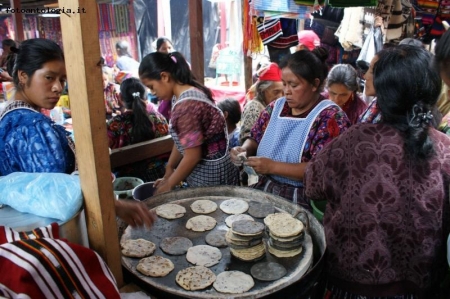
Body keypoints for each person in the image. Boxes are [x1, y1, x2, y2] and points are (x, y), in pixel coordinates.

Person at [305, 45, 450, 297]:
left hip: (349, 285)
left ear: (385, 91)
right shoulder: (445, 149)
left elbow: (312, 185)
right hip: (419, 287)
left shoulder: (353, 141)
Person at [0, 38, 156, 229]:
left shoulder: (13, 116)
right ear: (23, 76)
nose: (58, 87)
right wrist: (115, 205)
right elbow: (56, 194)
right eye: (49, 77)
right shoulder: (31, 126)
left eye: (62, 80)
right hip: (52, 234)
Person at [230, 48, 351, 209]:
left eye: (293, 85)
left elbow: (323, 169)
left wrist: (272, 166)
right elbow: (255, 137)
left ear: (315, 84)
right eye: (284, 84)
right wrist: (244, 149)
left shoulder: (331, 117)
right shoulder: (275, 107)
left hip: (303, 199)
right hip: (265, 190)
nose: (286, 91)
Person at [139, 51, 239, 194]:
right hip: (208, 169)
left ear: (164, 76)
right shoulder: (181, 95)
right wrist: (170, 167)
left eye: (152, 86)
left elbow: (193, 156)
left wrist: (168, 186)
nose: (152, 92)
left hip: (213, 175)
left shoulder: (187, 106)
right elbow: (184, 139)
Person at [107, 77, 169, 182]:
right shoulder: (159, 119)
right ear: (146, 97)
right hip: (159, 176)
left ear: (120, 97)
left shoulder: (114, 125)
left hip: (127, 181)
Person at [240, 62, 284, 145]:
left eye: (283, 92)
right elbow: (247, 138)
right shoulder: (254, 107)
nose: (280, 97)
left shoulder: (274, 107)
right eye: (276, 92)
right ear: (262, 91)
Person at [155, 37, 176, 121]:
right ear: (157, 50)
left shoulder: (176, 61)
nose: (167, 51)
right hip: (164, 95)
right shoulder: (156, 65)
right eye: (164, 49)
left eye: (169, 48)